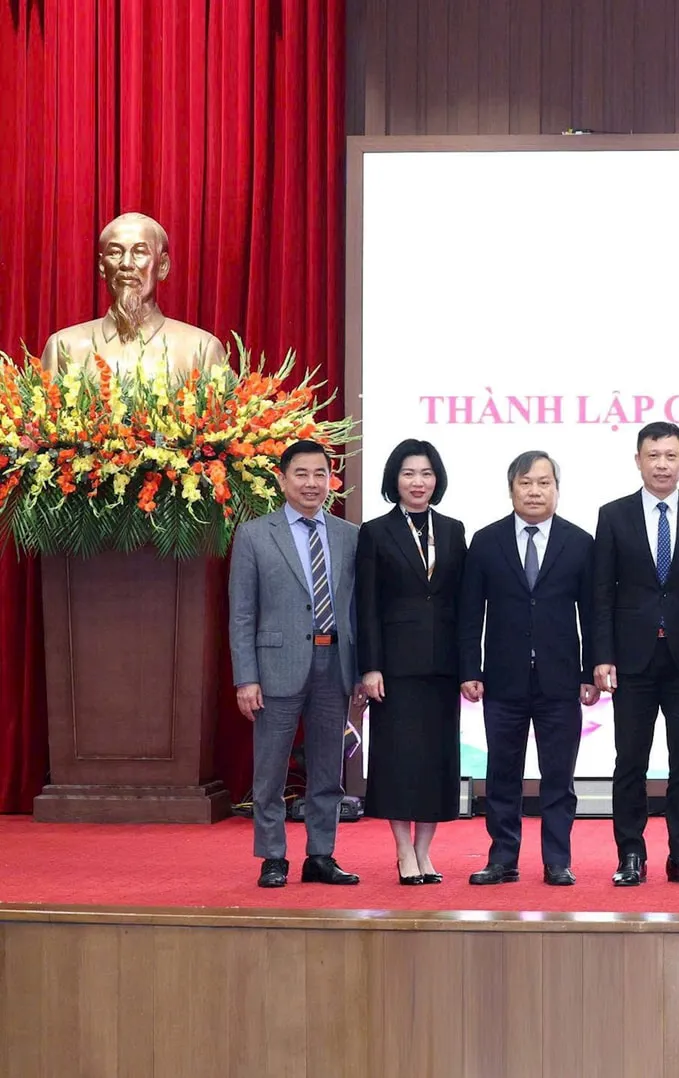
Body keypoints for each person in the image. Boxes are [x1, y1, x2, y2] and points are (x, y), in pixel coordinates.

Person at [459, 451, 599, 886]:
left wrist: (589, 673)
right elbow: (470, 614)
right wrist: (470, 669)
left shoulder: (580, 542)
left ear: (557, 489)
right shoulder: (486, 541)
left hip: (561, 680)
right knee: (503, 775)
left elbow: (593, 614)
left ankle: (558, 859)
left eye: (543, 483)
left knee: (559, 777)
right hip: (503, 680)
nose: (535, 491)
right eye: (526, 483)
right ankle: (503, 858)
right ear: (511, 489)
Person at [591, 422, 679, 887]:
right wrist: (602, 655)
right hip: (632, 660)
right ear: (638, 460)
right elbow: (601, 594)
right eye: (653, 455)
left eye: (670, 456)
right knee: (630, 761)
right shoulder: (614, 515)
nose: (662, 464)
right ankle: (630, 854)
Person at [228, 439, 361, 888]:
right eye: (301, 474)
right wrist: (245, 677)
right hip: (275, 667)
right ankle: (273, 857)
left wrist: (359, 669)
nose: (311, 483)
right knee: (270, 770)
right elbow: (241, 613)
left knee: (328, 770)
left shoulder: (349, 536)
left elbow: (357, 610)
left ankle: (321, 854)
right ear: (282, 479)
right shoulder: (254, 535)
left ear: (331, 480)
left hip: (334, 663)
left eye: (320, 474)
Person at [355, 439, 466, 885]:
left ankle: (425, 851)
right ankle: (403, 851)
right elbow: (366, 605)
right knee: (398, 761)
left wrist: (468, 667)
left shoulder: (454, 530)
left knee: (437, 761)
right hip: (395, 669)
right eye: (408, 474)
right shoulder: (375, 532)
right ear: (394, 480)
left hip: (443, 667)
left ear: (437, 479)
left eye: (426, 473)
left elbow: (463, 604)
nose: (418, 482)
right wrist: (370, 666)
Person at [42, 212, 225, 379]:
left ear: (162, 266)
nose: (126, 263)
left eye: (140, 252)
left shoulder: (201, 350)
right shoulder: (64, 348)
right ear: (102, 266)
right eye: (115, 253)